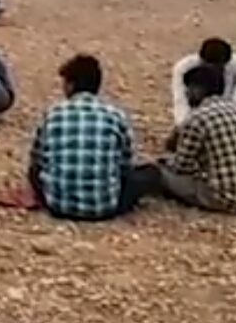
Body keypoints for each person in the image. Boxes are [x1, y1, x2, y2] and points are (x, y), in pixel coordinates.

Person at [28, 55, 156, 221]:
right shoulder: (115, 115)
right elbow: (126, 165)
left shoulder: (53, 113)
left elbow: (36, 161)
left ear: (71, 85)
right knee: (150, 174)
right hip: (105, 207)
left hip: (58, 205)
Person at [157, 64, 236, 213]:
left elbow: (181, 168)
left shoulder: (197, 119)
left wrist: (164, 163)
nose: (186, 94)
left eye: (188, 89)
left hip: (222, 198)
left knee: (157, 173)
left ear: (198, 90)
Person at [168, 37, 236, 152]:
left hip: (231, 114)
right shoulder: (183, 68)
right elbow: (180, 102)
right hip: (198, 118)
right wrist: (186, 127)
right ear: (201, 60)